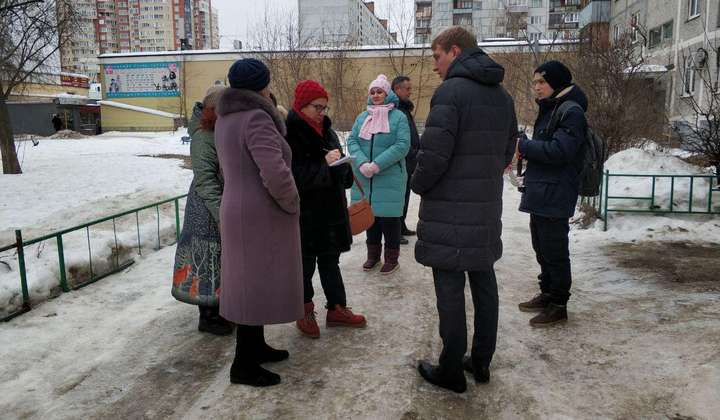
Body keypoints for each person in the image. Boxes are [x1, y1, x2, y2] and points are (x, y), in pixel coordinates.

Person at [411, 26, 517, 393]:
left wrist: (418, 182)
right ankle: (481, 361)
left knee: (451, 291)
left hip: (449, 214)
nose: (434, 67)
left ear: (454, 51)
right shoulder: (503, 96)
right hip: (485, 211)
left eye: (436, 57)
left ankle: (452, 370)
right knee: (484, 283)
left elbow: (433, 156)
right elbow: (507, 151)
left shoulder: (450, 93)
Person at [215, 58, 303, 387]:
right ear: (260, 86)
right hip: (260, 212)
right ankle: (244, 364)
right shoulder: (256, 118)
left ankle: (256, 347)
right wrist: (292, 201)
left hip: (238, 207)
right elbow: (275, 172)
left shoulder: (227, 118)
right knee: (253, 283)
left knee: (250, 282)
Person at [285, 80, 367, 339]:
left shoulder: (328, 130)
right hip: (306, 214)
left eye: (324, 107)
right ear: (301, 106)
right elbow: (293, 177)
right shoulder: (290, 134)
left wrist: (343, 166)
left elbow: (339, 174)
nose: (322, 112)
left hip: (331, 212)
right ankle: (304, 310)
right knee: (305, 266)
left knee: (331, 262)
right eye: (317, 107)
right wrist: (324, 164)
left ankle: (337, 308)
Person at [516, 60, 588, 327]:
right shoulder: (551, 109)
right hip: (542, 190)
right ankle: (547, 293)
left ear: (556, 83)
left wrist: (526, 146)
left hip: (556, 192)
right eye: (534, 82)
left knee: (555, 249)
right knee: (541, 246)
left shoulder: (571, 112)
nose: (536, 88)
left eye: (541, 82)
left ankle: (559, 304)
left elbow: (561, 151)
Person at [172, 85, 233, 336]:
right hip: (206, 206)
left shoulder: (217, 130)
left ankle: (219, 308)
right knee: (205, 260)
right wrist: (221, 213)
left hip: (218, 201)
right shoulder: (203, 136)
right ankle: (207, 315)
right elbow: (206, 179)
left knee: (217, 260)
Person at [347, 74, 410, 275]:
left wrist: (377, 165)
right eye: (372, 92)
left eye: (379, 91)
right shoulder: (362, 117)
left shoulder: (398, 117)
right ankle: (372, 256)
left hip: (389, 176)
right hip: (364, 176)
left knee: (390, 220)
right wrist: (363, 162)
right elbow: (352, 142)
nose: (375, 95)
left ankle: (391, 258)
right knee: (370, 218)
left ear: (387, 93)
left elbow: (402, 145)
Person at [391, 76, 421, 245]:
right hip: (402, 161)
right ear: (397, 90)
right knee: (398, 198)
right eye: (407, 88)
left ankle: (401, 226)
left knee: (405, 197)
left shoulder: (404, 110)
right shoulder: (395, 110)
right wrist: (412, 153)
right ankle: (395, 231)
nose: (410, 92)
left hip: (410, 161)